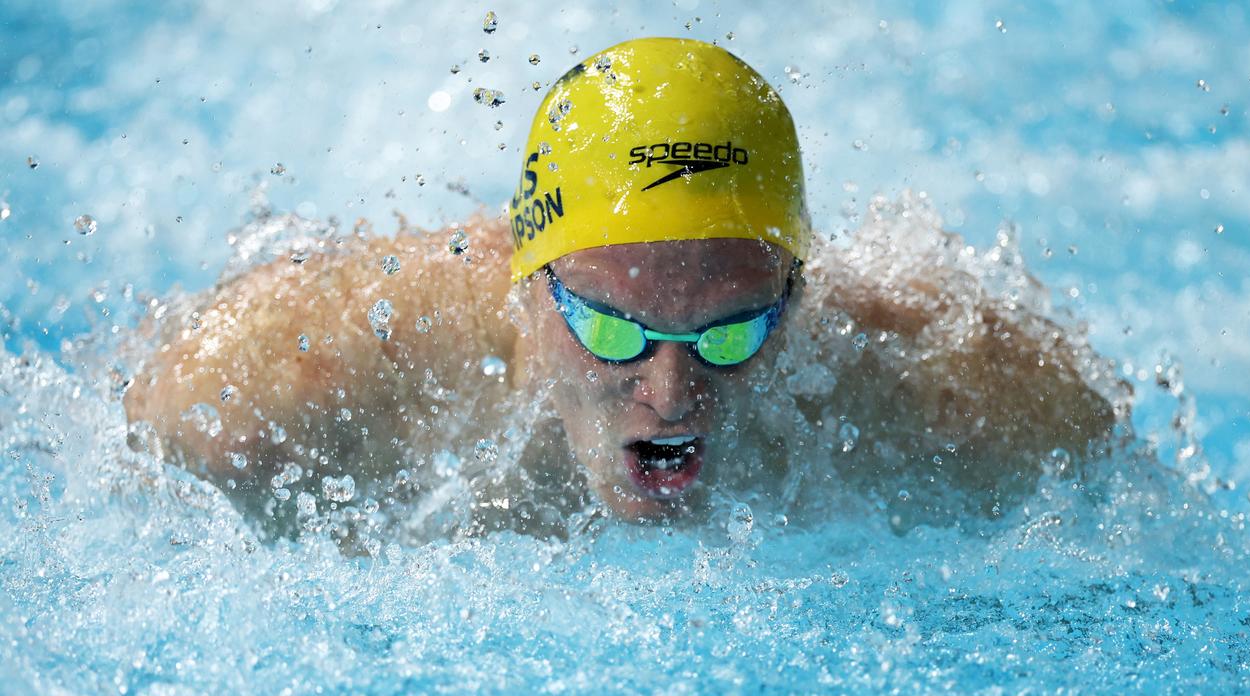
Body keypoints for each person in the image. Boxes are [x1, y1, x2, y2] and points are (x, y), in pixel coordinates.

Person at [124, 38, 1124, 542]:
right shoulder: (284, 387)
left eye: (732, 333)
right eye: (611, 329)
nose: (669, 393)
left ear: (799, 294)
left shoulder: (978, 409)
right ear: (525, 283)